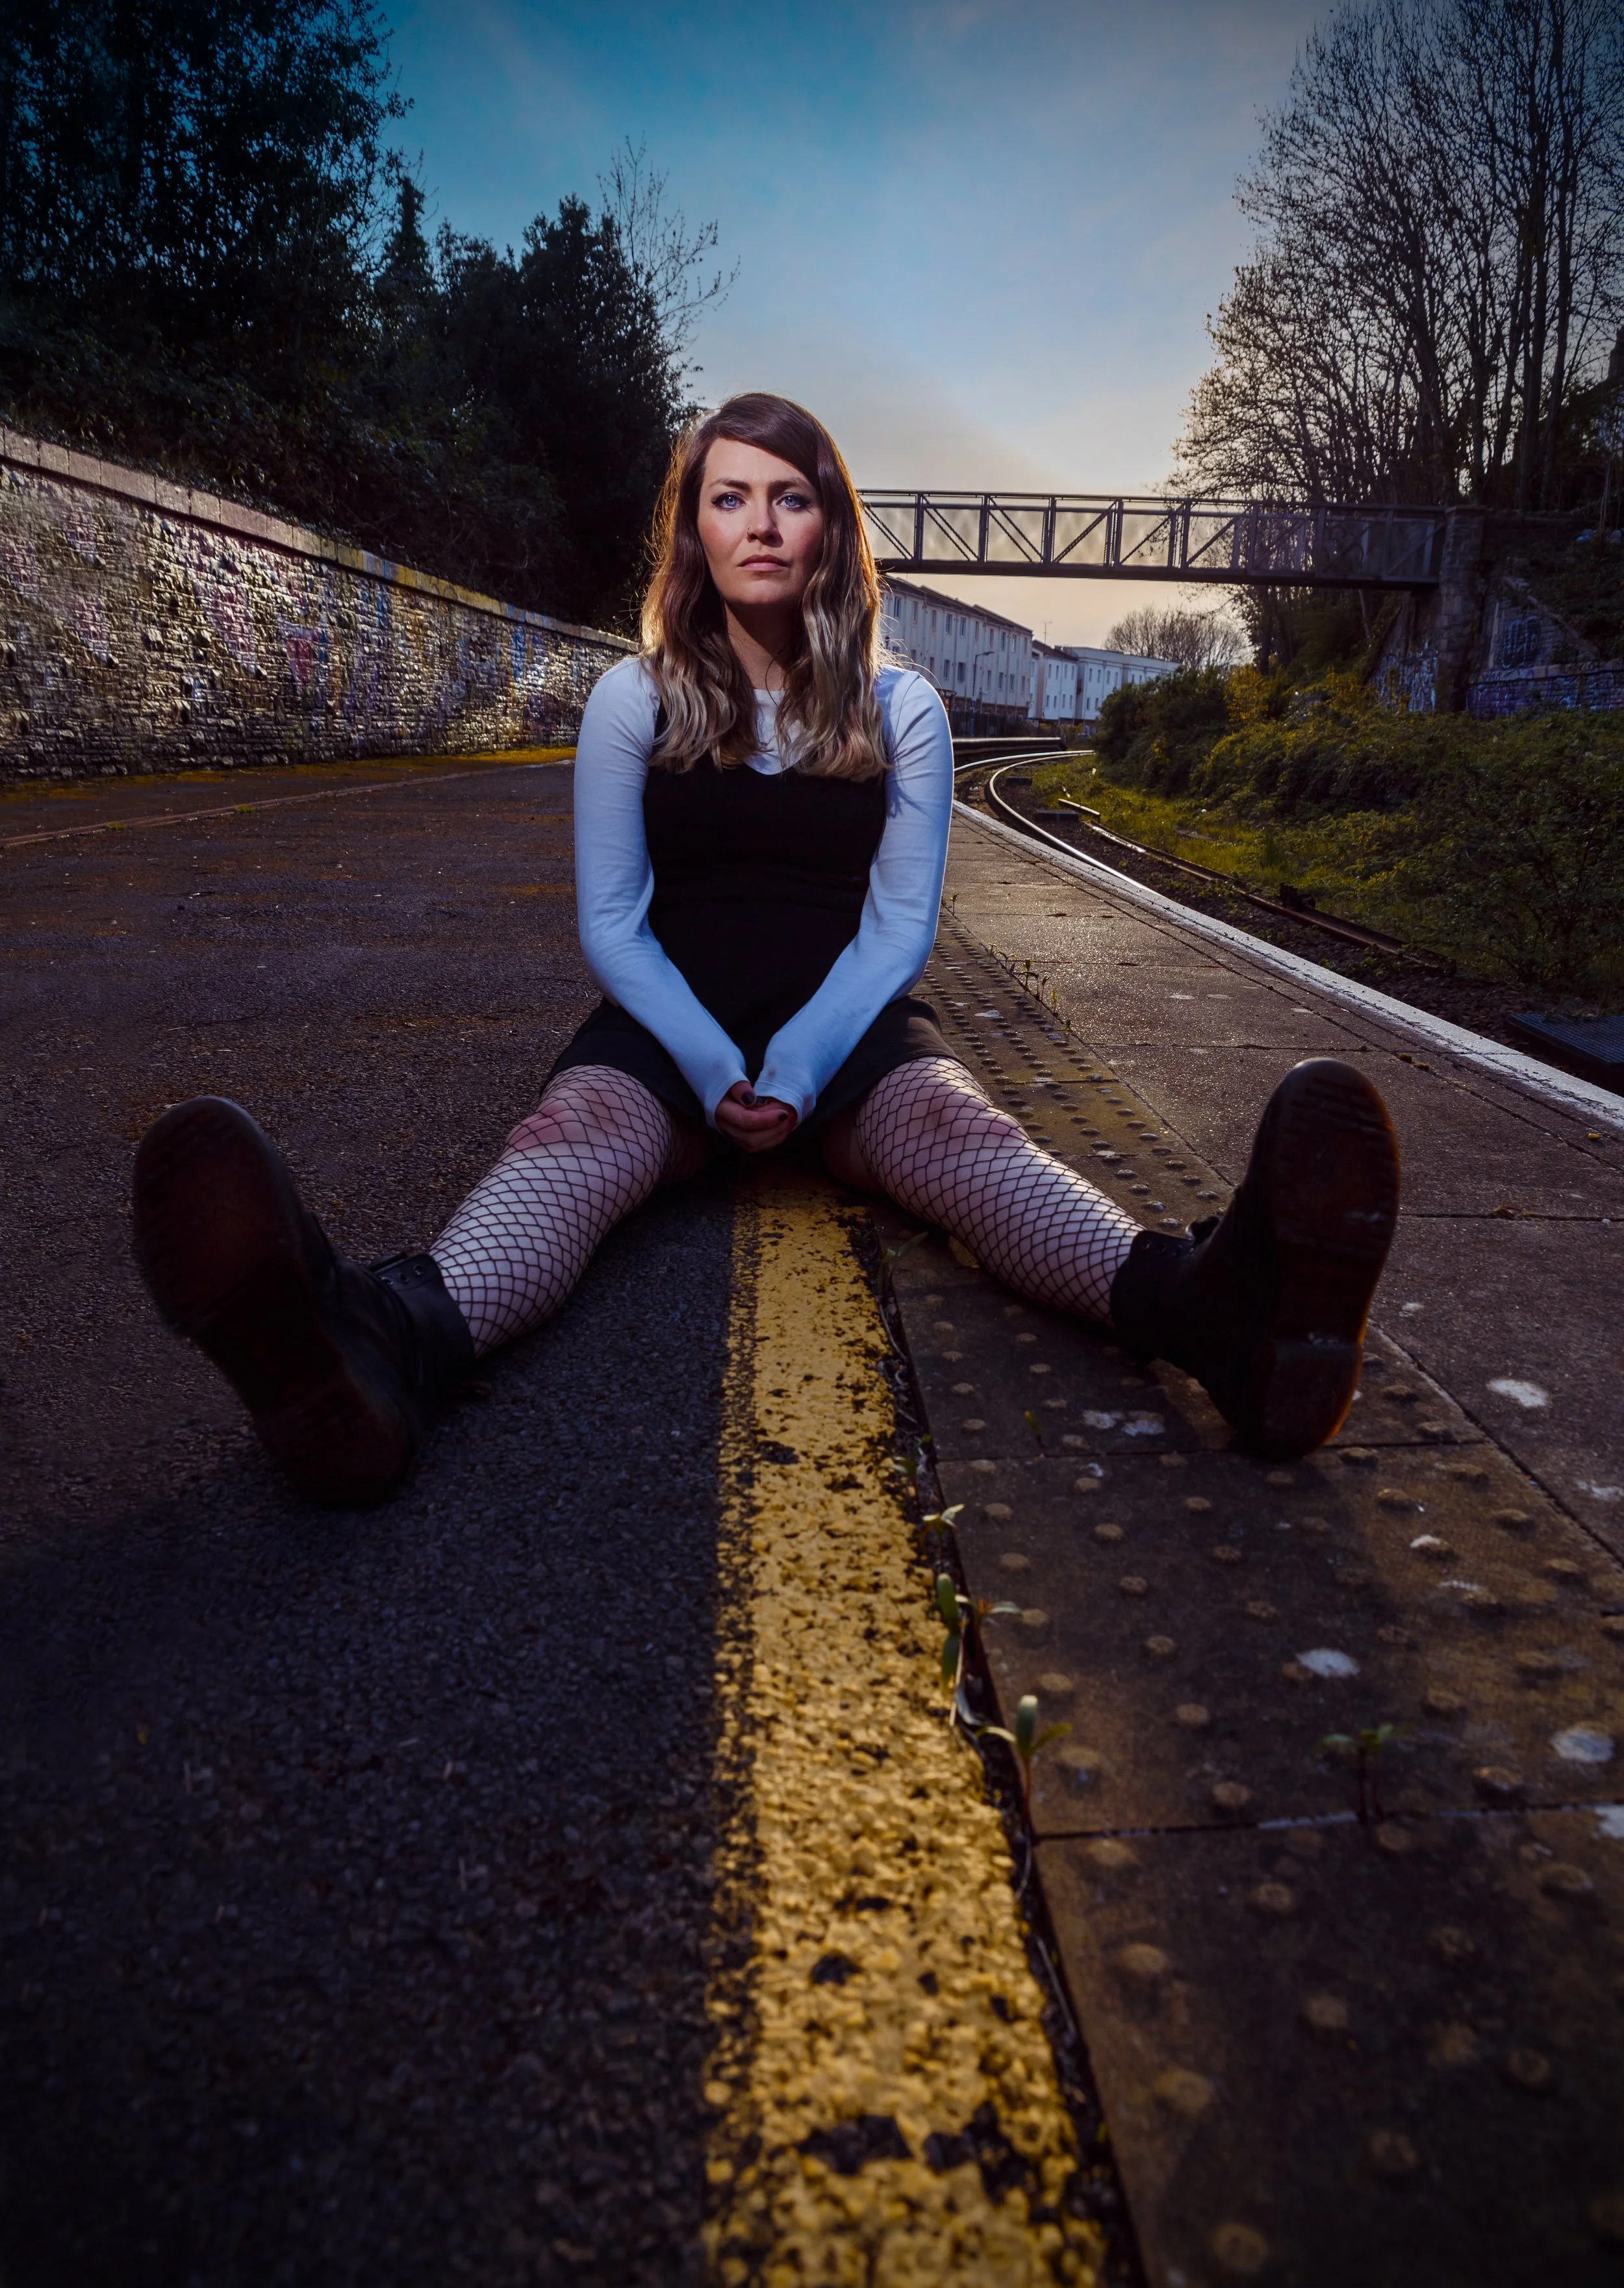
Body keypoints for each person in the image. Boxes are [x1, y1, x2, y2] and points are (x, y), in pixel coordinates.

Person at [131, 393, 1400, 1506]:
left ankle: (1218, 1317)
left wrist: (796, 1068)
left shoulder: (903, 707)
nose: (754, 523)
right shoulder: (630, 699)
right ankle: (367, 1352)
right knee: (565, 1148)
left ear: (828, 531)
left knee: (969, 1144)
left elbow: (898, 927)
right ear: (689, 533)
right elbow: (611, 923)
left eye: (786, 498)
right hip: (662, 1017)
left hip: (847, 1027)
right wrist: (699, 1061)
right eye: (723, 497)